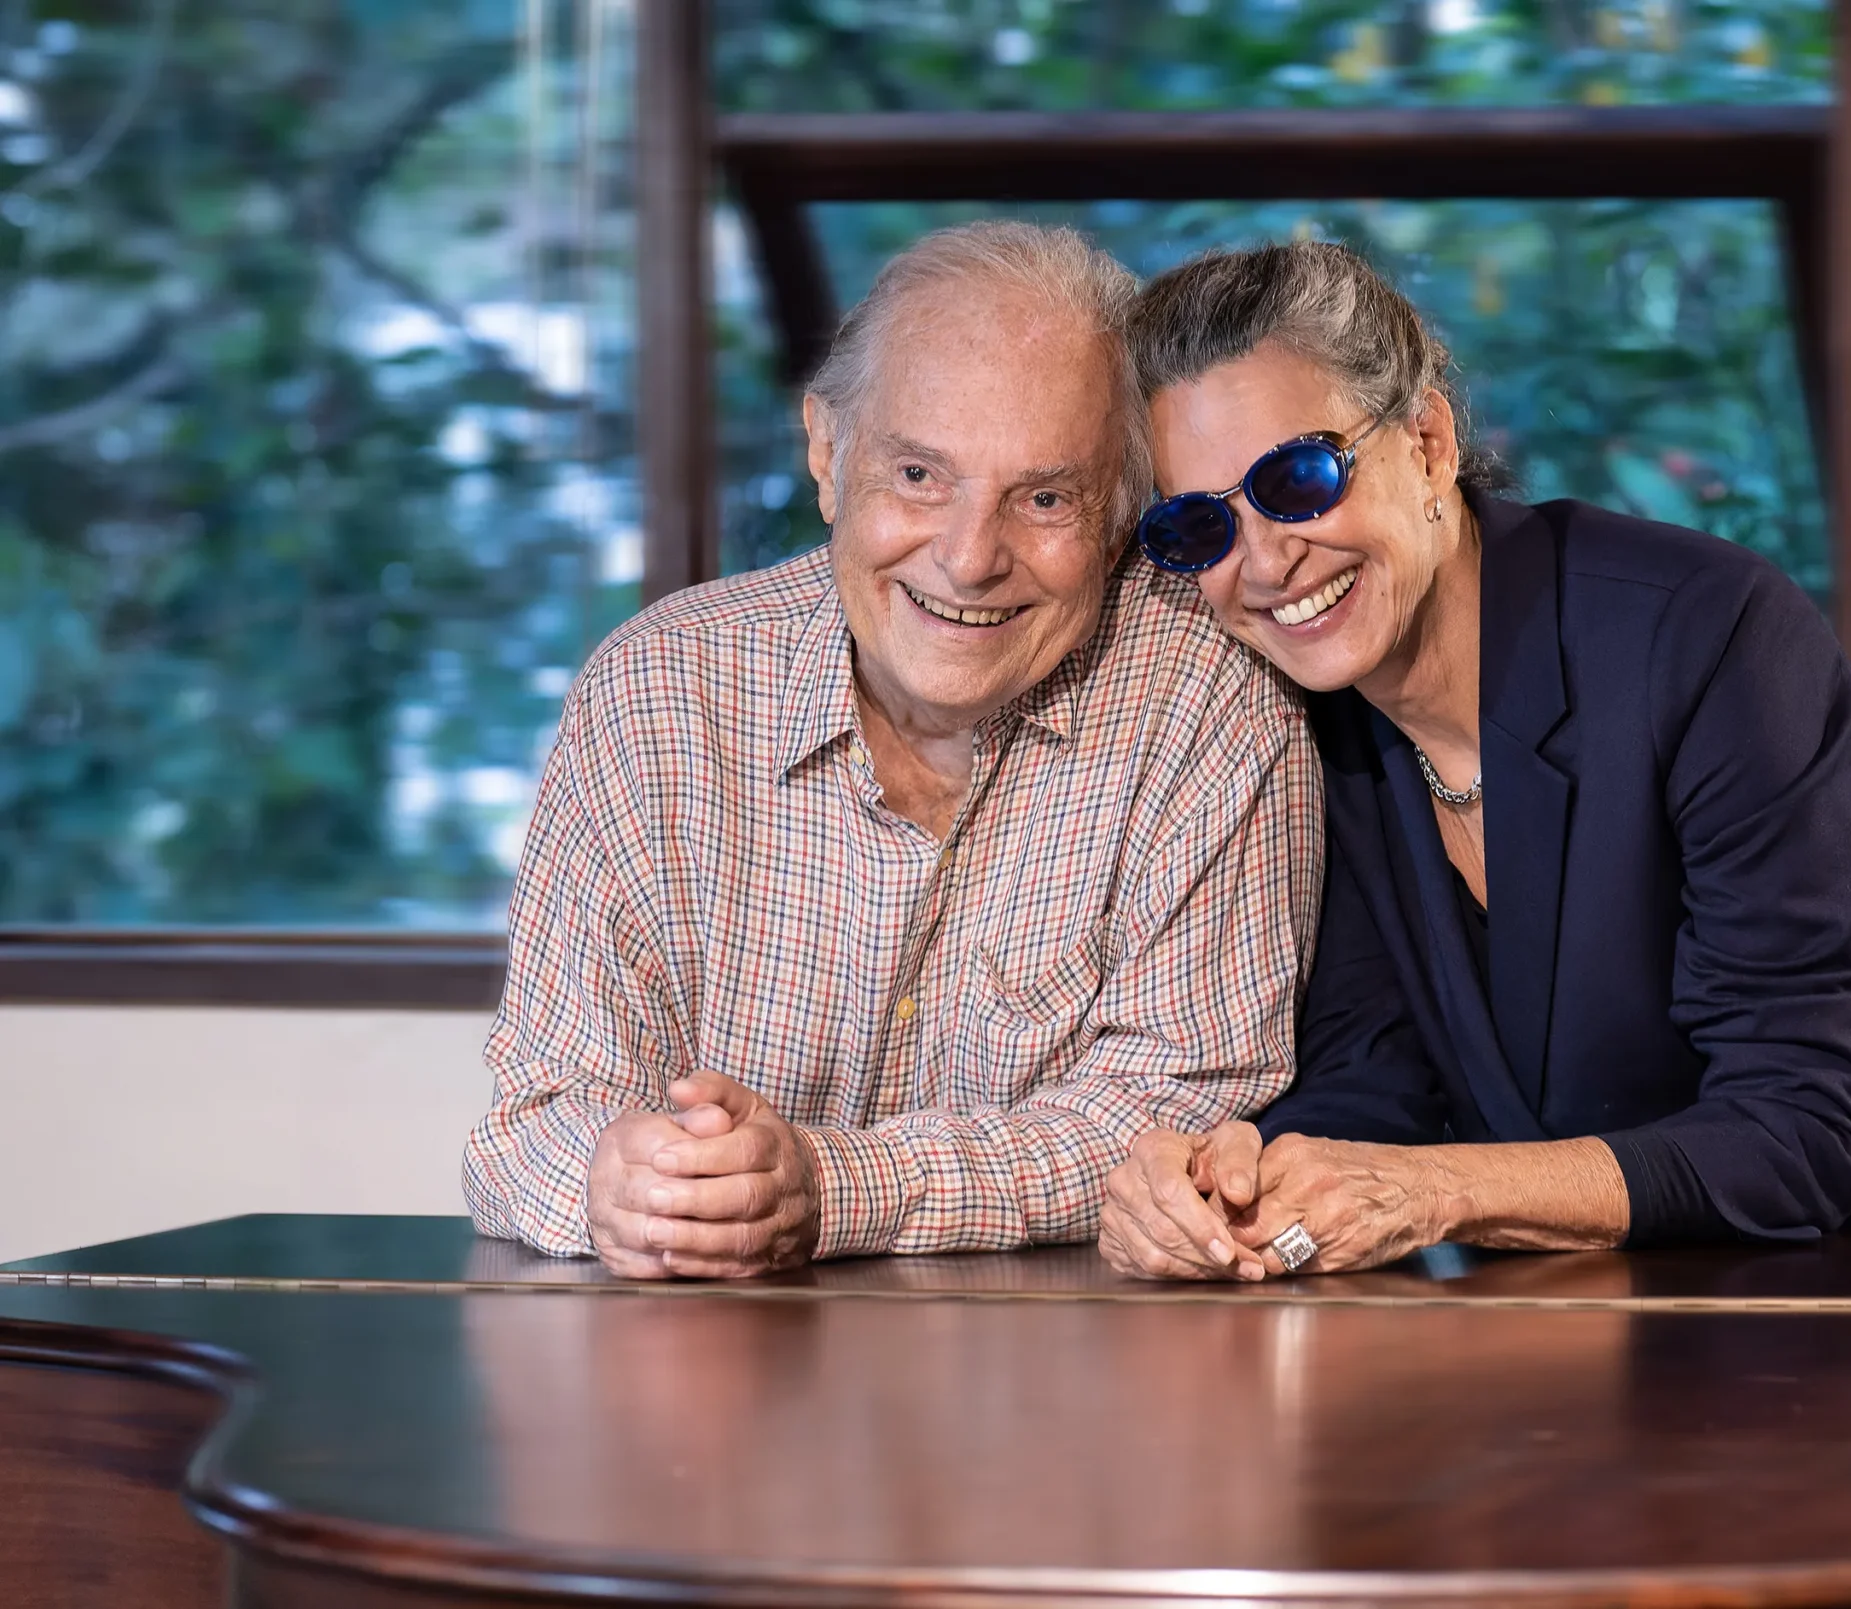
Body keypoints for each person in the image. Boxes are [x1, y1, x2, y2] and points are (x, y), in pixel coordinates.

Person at [1097, 242, 1851, 1282]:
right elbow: (1369, 1084)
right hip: (1599, 1321)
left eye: (1298, 480)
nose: (1265, 561)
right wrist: (1240, 1179)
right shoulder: (1306, 718)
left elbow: (1790, 1140)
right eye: (1199, 526)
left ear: (1428, 442)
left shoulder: (1710, 636)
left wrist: (1433, 1191)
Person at [464, 223, 1322, 1279]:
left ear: (1116, 514)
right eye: (919, 474)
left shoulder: (1209, 704)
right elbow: (531, 1120)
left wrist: (828, 1186)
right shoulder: (658, 692)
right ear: (828, 453)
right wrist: (619, 1180)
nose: (968, 559)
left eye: (1045, 498)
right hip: (705, 1396)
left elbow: (1181, 1110)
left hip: (1066, 1401)